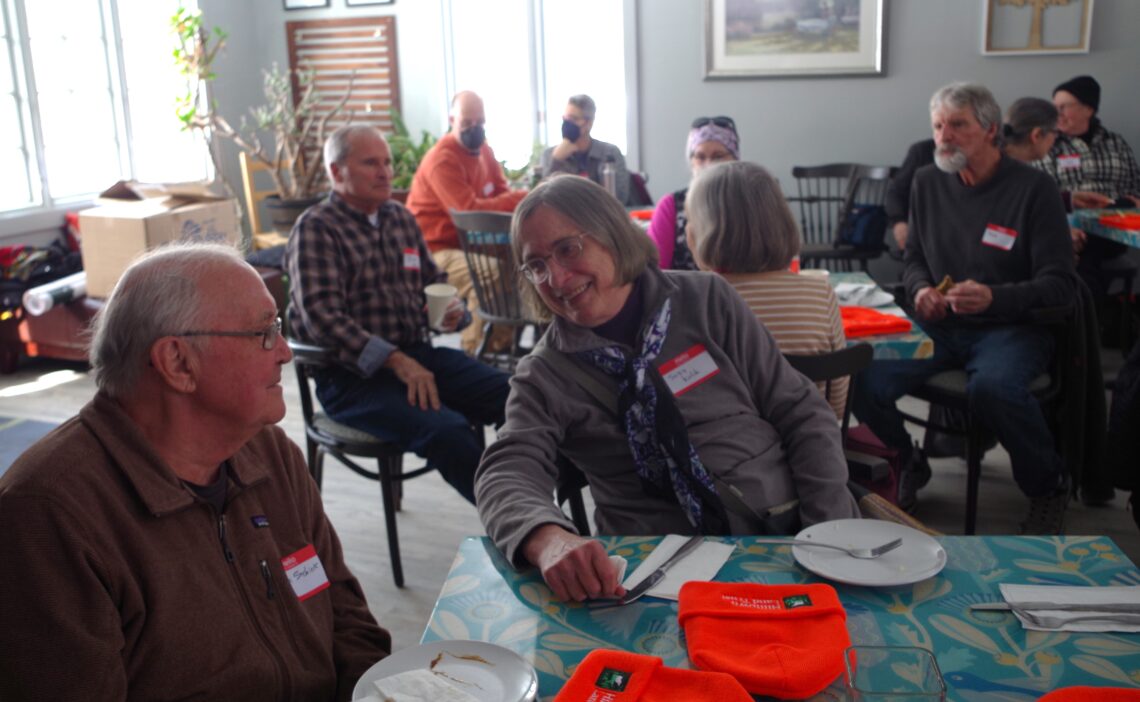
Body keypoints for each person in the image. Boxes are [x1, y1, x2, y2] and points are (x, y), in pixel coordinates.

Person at [0, 242, 391, 700]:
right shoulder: (48, 517)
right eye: (264, 332)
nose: (285, 352)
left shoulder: (268, 455)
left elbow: (344, 613)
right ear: (178, 362)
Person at [475, 175, 858, 602]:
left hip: (782, 534)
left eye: (568, 249)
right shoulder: (545, 375)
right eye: (538, 266)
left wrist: (827, 529)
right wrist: (548, 538)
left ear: (610, 233)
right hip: (654, 573)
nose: (558, 279)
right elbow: (505, 471)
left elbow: (801, 410)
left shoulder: (706, 300)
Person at [851, 83, 1076, 532]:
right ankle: (908, 460)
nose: (944, 137)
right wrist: (919, 292)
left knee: (992, 388)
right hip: (940, 324)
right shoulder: (926, 181)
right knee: (862, 375)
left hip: (1011, 327)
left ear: (990, 130)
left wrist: (996, 296)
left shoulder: (1034, 188)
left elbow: (1061, 286)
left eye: (957, 125)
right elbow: (913, 258)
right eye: (938, 126)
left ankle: (1047, 485)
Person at [286, 124, 511, 505]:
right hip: (350, 379)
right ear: (336, 172)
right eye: (371, 163)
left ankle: (536, 496)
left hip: (417, 357)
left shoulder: (399, 218)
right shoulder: (316, 229)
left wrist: (451, 312)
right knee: (450, 432)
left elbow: (433, 280)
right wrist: (394, 360)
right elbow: (322, 317)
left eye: (387, 162)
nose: (386, 172)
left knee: (516, 394)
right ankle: (524, 529)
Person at [686, 160, 847, 420]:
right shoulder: (820, 294)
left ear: (700, 234)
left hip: (727, 453)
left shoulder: (695, 304)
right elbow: (836, 404)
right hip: (812, 450)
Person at [406, 90, 528, 354]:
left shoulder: (484, 149)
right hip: (434, 248)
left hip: (472, 243)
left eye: (480, 122)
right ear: (452, 120)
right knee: (488, 273)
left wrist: (511, 198)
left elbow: (500, 192)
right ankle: (474, 353)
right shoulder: (442, 160)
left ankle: (501, 346)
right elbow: (468, 212)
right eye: (467, 123)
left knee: (522, 261)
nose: (476, 129)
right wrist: (519, 197)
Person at [1034, 75, 1139, 299]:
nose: (1057, 113)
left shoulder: (1115, 142)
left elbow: (1134, 186)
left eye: (1064, 107)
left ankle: (1088, 317)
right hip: (1066, 226)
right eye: (1055, 107)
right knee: (1083, 254)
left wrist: (1131, 201)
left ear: (1088, 109)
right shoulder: (1049, 144)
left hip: (1114, 228)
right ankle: (1092, 317)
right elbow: (1040, 194)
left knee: (1086, 253)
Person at [647, 115, 740, 270]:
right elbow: (653, 271)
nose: (708, 164)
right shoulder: (671, 206)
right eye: (700, 157)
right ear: (691, 161)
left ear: (735, 160)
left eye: (718, 156)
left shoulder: (749, 202)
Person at [540, 93, 632, 205]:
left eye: (573, 119)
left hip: (600, 219)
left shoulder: (610, 153)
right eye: (565, 118)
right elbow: (541, 199)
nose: (567, 123)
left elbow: (620, 198)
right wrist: (556, 161)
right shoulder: (550, 154)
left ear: (588, 123)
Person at [883, 138, 934, 251]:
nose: (946, 134)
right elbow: (896, 192)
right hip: (928, 233)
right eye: (938, 127)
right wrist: (899, 222)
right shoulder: (922, 152)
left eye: (958, 125)